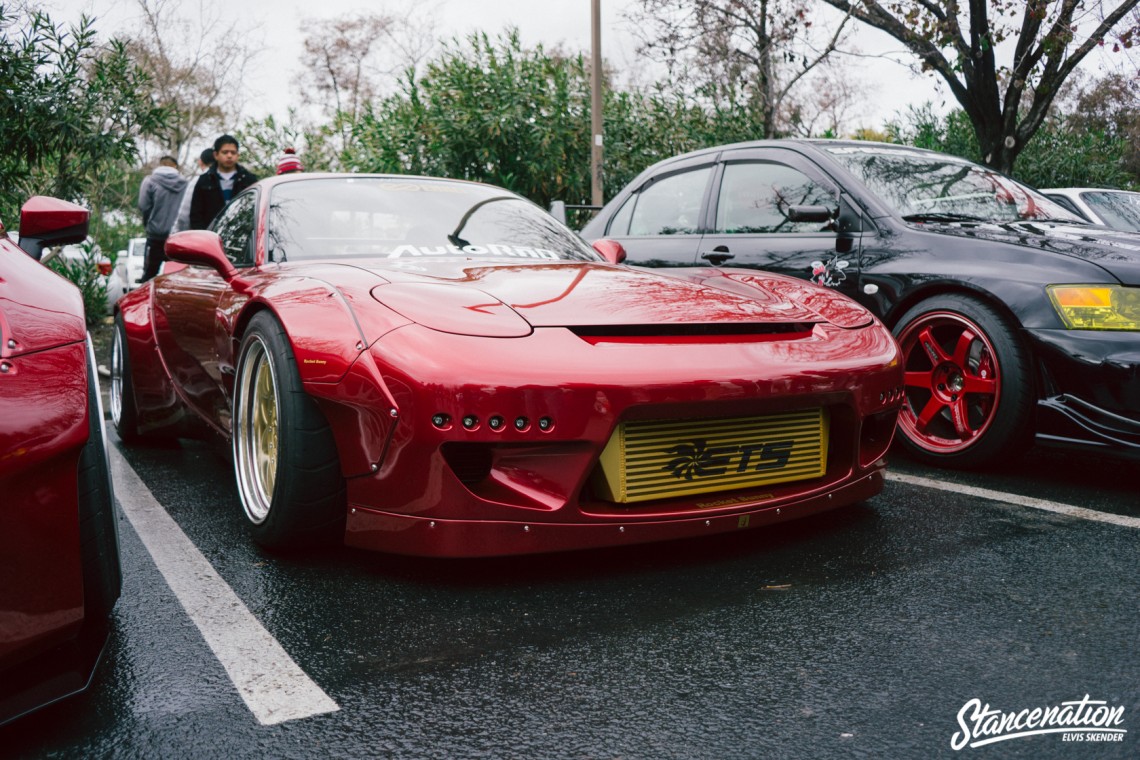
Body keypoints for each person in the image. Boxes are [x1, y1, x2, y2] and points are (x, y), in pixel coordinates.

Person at [188, 134, 259, 230]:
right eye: (225, 152)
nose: (229, 156)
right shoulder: (204, 181)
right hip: (210, 238)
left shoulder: (249, 180)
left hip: (241, 236)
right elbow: (195, 215)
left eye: (233, 153)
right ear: (216, 155)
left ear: (238, 155)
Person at [138, 155, 188, 282]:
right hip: (179, 236)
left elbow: (143, 206)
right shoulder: (185, 183)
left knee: (149, 275)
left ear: (160, 165)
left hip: (156, 235)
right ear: (175, 166)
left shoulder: (150, 181)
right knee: (178, 277)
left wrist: (148, 224)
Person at [169, 147, 214, 235]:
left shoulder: (198, 181)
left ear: (200, 162)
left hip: (203, 236)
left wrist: (176, 234)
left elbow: (184, 216)